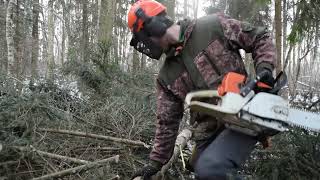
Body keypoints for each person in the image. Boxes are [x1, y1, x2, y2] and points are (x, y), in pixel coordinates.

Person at [127, 0, 276, 179]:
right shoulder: (166, 77)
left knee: (210, 169)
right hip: (209, 128)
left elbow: (259, 37)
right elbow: (167, 122)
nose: (146, 45)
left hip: (243, 115)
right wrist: (155, 163)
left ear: (154, 26)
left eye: (144, 38)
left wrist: (265, 68)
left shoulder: (211, 26)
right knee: (198, 168)